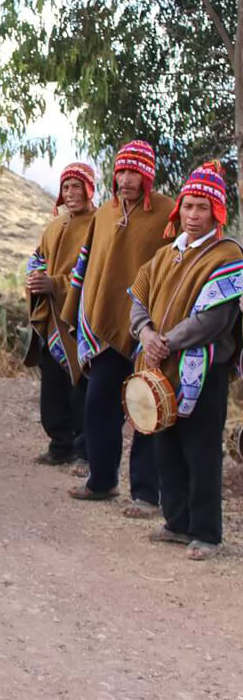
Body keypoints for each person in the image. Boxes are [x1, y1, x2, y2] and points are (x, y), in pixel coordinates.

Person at [129, 161, 243, 560]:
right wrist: (145, 334)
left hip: (203, 371)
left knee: (201, 450)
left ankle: (207, 534)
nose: (193, 215)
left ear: (217, 212)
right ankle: (176, 523)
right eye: (188, 206)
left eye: (201, 208)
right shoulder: (165, 255)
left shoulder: (227, 256)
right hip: (162, 367)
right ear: (178, 209)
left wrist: (166, 341)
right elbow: (139, 299)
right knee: (166, 445)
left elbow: (214, 319)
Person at [61, 140, 174, 514]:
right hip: (106, 325)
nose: (126, 180)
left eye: (134, 173)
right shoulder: (105, 214)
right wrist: (77, 308)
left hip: (149, 329)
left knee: (146, 409)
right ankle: (102, 480)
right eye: (121, 172)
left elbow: (175, 267)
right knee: (98, 404)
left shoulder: (166, 214)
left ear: (147, 175)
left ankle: (145, 495)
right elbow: (89, 265)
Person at [26, 163, 96, 465]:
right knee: (53, 382)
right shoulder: (55, 225)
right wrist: (35, 278)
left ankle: (83, 449)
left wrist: (55, 283)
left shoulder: (98, 225)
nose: (70, 193)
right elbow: (38, 257)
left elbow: (94, 273)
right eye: (66, 187)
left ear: (89, 189)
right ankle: (60, 445)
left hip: (79, 319)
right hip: (50, 315)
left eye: (76, 187)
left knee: (80, 383)